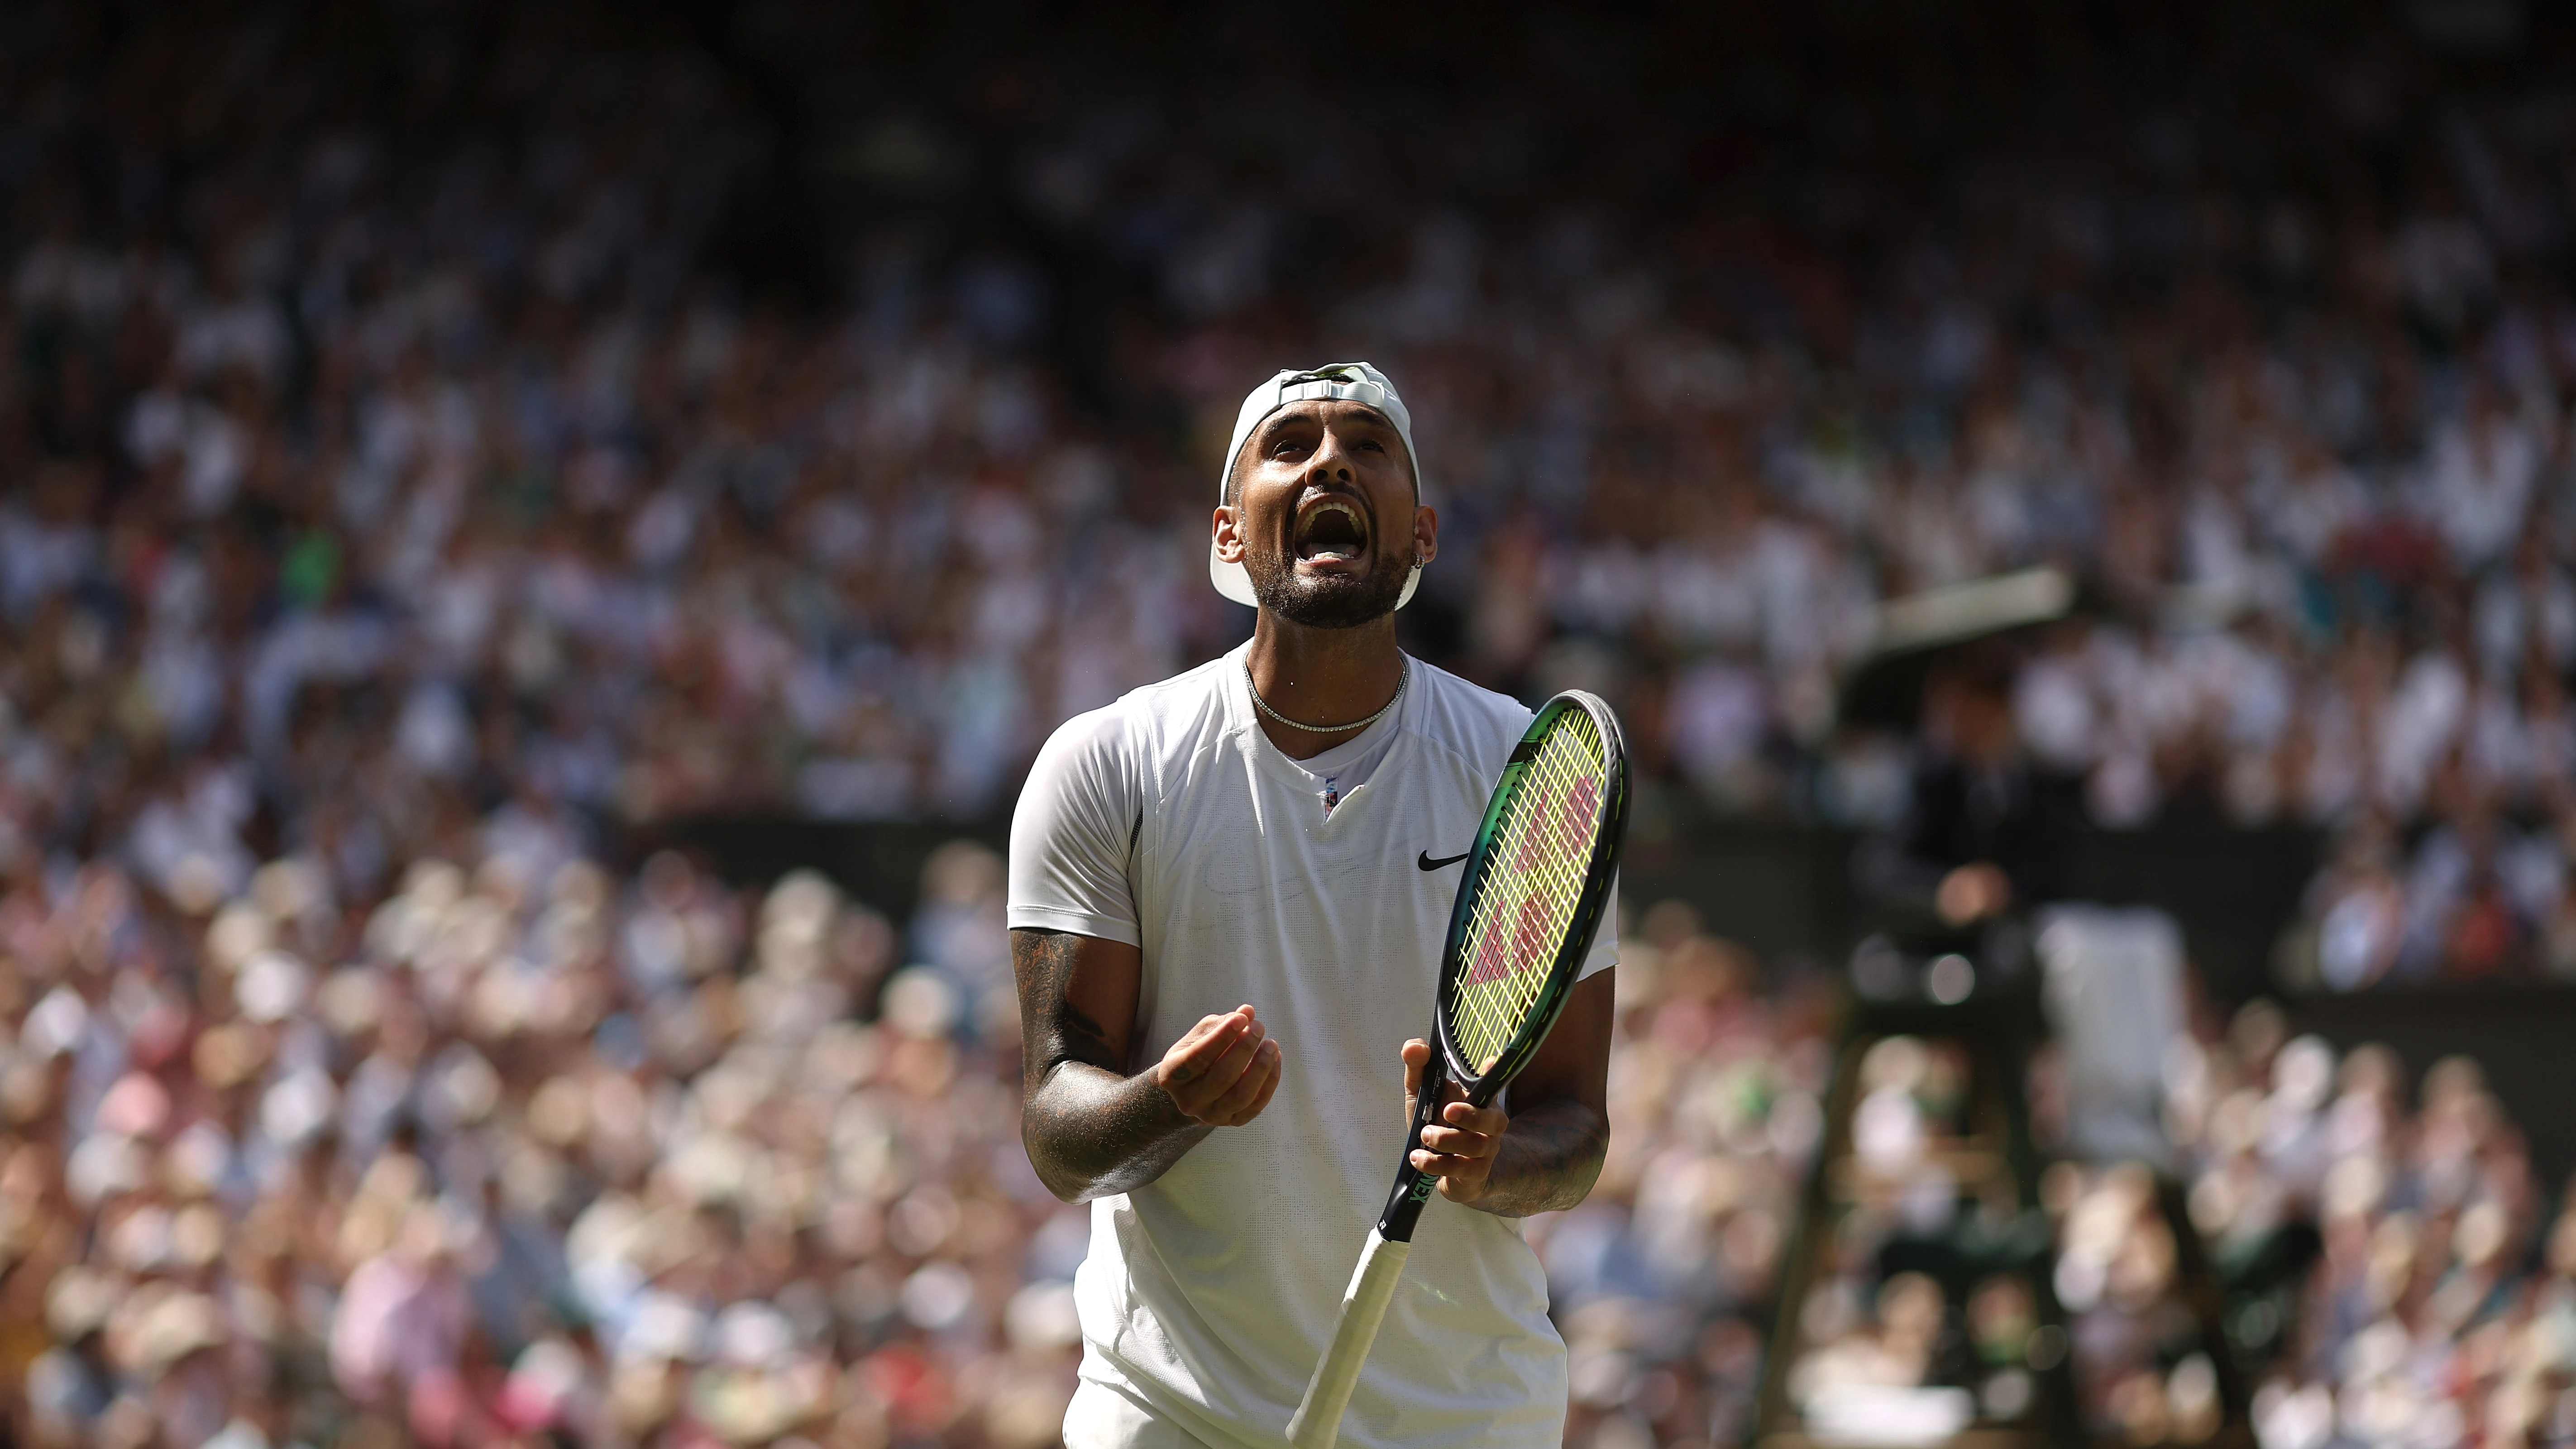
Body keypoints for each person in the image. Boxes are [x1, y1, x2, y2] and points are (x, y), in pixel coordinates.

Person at [1007, 363, 1620, 1449]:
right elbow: (1060, 1135)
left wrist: (1490, 1165)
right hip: (1172, 1415)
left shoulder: (1530, 775)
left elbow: (1574, 1128)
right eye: (1289, 444)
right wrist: (1167, 1101)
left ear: (1423, 534)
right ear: (1229, 535)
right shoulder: (1107, 764)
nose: (1331, 459)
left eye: (1367, 445)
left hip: (1463, 1419)